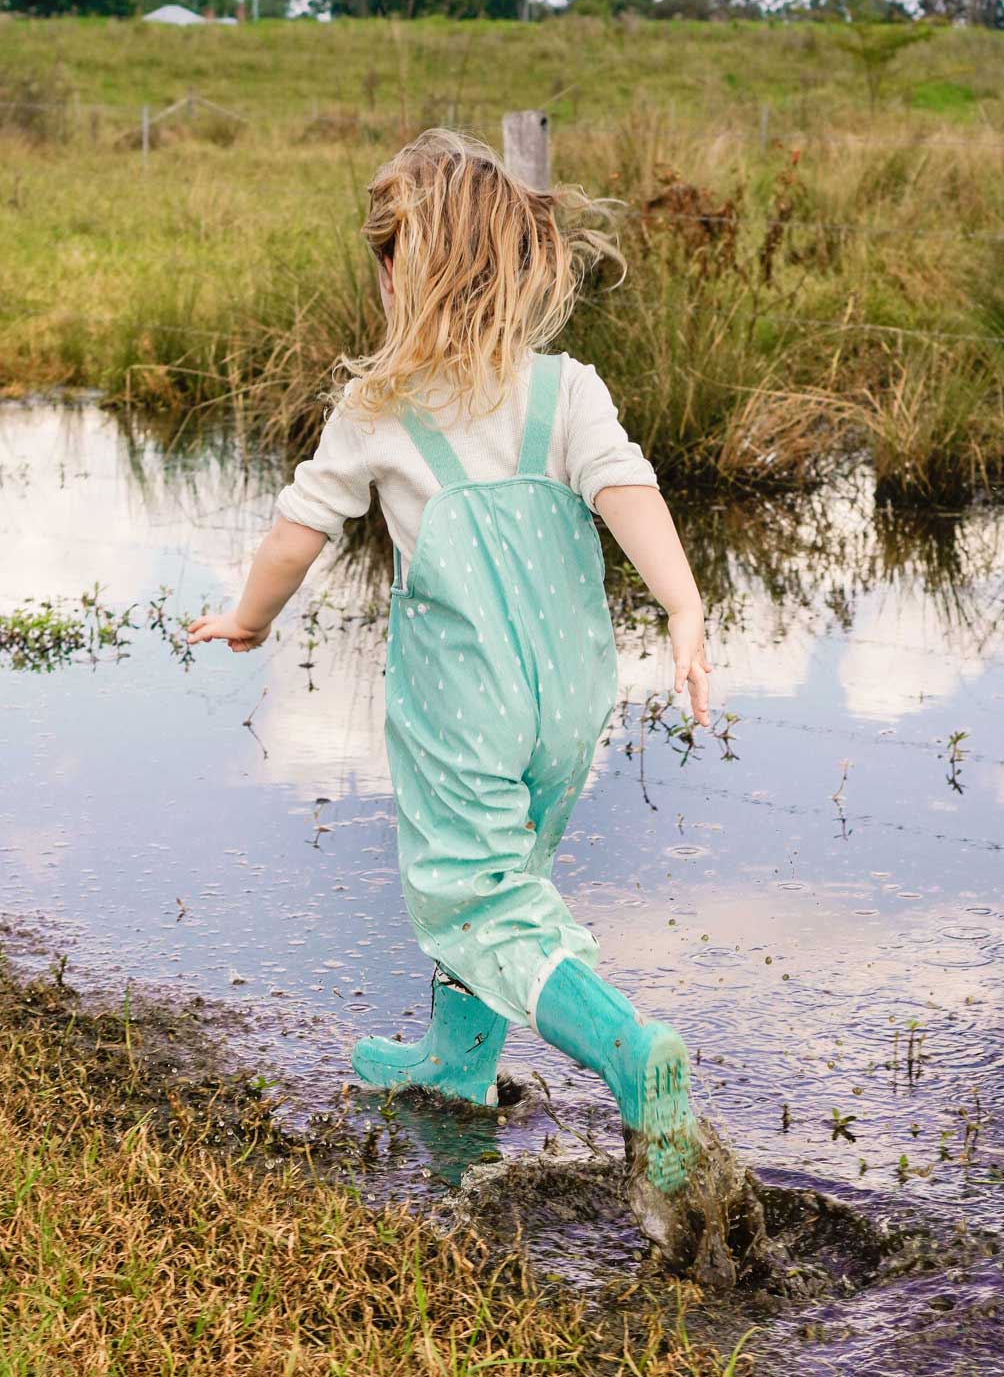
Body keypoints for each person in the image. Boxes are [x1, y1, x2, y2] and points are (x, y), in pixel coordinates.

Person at [188, 128, 711, 1214]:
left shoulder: (378, 405)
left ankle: (629, 1052)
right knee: (499, 876)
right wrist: (682, 601)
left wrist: (247, 618)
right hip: (570, 698)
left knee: (477, 895)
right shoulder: (567, 389)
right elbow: (627, 488)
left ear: (399, 271)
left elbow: (298, 530)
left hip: (462, 706)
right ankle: (457, 1063)